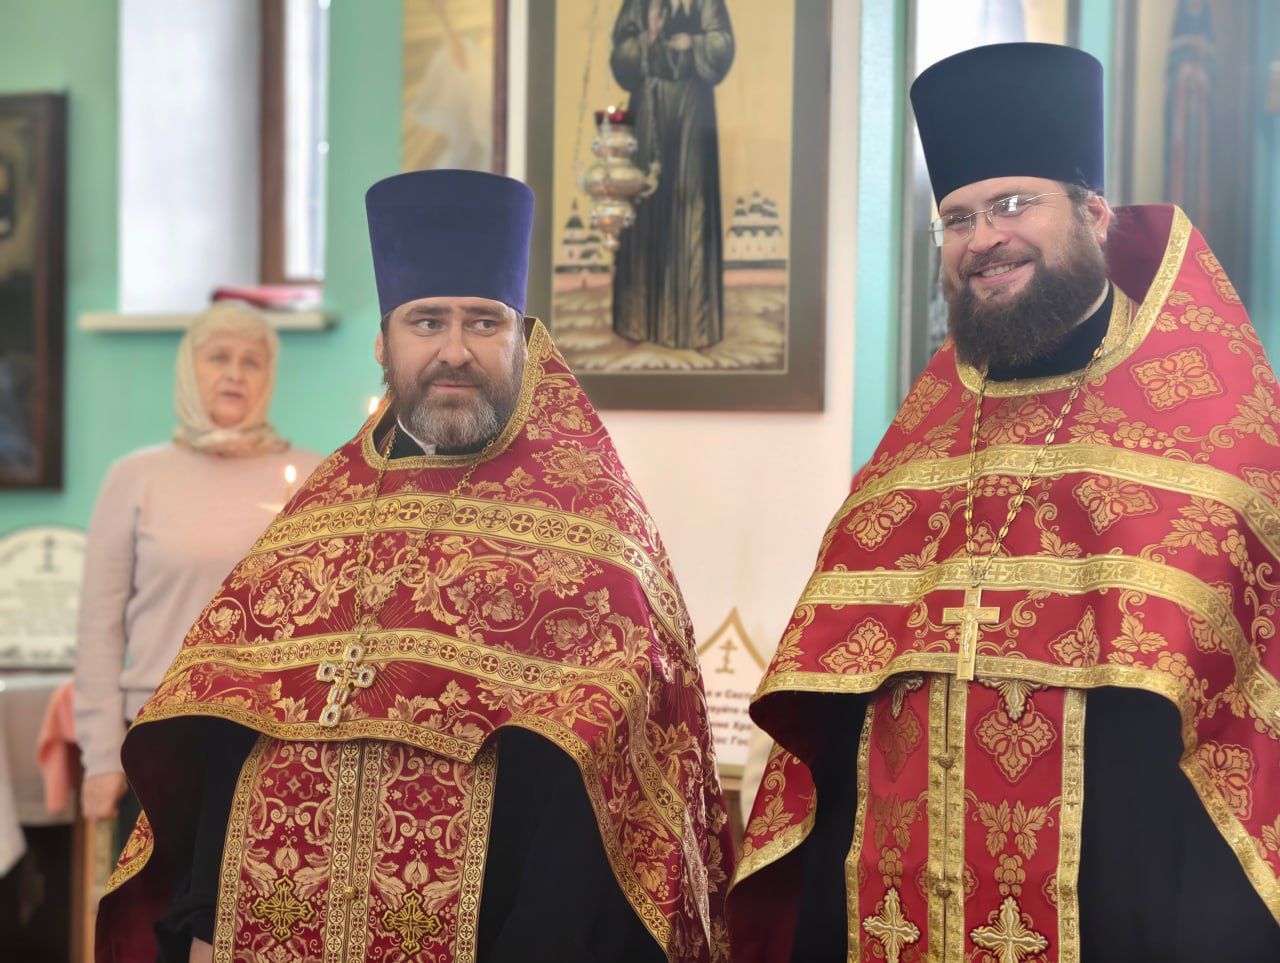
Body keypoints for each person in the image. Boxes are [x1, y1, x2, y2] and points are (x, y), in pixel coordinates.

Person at [728, 44, 1280, 961]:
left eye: (1014, 204)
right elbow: (834, 724)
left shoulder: (1217, 433)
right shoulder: (917, 446)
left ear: (1093, 214)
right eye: (958, 217)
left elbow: (1245, 749)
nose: (983, 238)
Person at [95, 170, 732, 963]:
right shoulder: (317, 517)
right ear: (384, 343)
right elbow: (232, 727)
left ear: (523, 339)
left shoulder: (594, 524)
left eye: (483, 322)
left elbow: (606, 791)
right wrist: (203, 921)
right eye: (427, 321)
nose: (454, 350)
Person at [73, 302, 321, 848]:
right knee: (160, 900)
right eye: (219, 357)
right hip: (161, 734)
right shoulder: (136, 477)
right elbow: (98, 629)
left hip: (273, 738)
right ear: (189, 368)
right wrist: (100, 757)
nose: (235, 373)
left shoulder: (313, 477)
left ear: (269, 376)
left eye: (252, 361)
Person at [609, 0, 734, 350]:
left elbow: (723, 43)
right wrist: (646, 39)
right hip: (648, 109)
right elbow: (621, 55)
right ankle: (635, 323)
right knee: (643, 207)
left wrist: (694, 43)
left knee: (691, 207)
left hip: (693, 111)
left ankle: (695, 329)